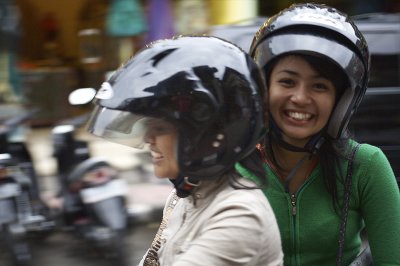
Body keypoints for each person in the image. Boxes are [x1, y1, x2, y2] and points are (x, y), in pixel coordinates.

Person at [86, 35, 284, 266]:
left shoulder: (239, 216)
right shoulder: (186, 194)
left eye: (160, 127)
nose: (149, 139)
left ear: (206, 133)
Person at [236, 3, 400, 266]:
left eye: (319, 86)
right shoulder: (231, 167)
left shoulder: (365, 167)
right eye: (287, 81)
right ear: (263, 88)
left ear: (341, 102)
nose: (300, 98)